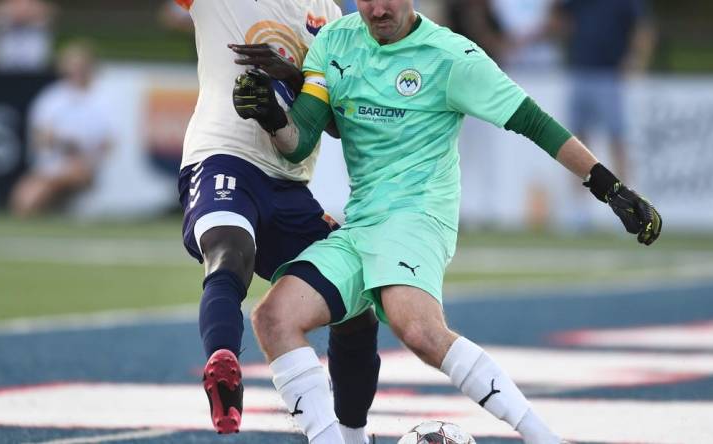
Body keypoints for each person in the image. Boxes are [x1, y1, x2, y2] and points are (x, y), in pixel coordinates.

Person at [233, 0, 662, 442]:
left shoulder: (452, 57)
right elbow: (299, 139)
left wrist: (609, 187)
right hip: (360, 225)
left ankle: (543, 438)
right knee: (274, 318)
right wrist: (271, 115)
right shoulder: (334, 41)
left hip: (418, 216)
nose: (378, 9)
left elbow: (535, 122)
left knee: (416, 328)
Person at [173, 1, 381, 441]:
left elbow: (342, 124)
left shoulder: (336, 17)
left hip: (289, 184)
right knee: (230, 251)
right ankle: (223, 364)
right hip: (222, 157)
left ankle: (351, 434)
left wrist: (293, 75)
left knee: (358, 303)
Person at [10, 41, 111, 217]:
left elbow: (107, 143)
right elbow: (40, 137)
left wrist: (84, 155)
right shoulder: (51, 98)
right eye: (72, 67)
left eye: (80, 67)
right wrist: (65, 144)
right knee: (24, 199)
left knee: (38, 192)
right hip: (51, 164)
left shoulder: (102, 99)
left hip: (85, 166)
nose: (76, 72)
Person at [559, 0, 656, 183]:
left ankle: (627, 198)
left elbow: (643, 29)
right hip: (579, 72)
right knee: (576, 142)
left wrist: (636, 60)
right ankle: (579, 207)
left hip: (609, 75)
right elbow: (560, 17)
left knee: (617, 139)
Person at [0, 0, 55, 72]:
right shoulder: (0, 10)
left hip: (35, 67)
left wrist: (29, 14)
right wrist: (4, 13)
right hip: (5, 66)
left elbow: (51, 14)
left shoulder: (42, 10)